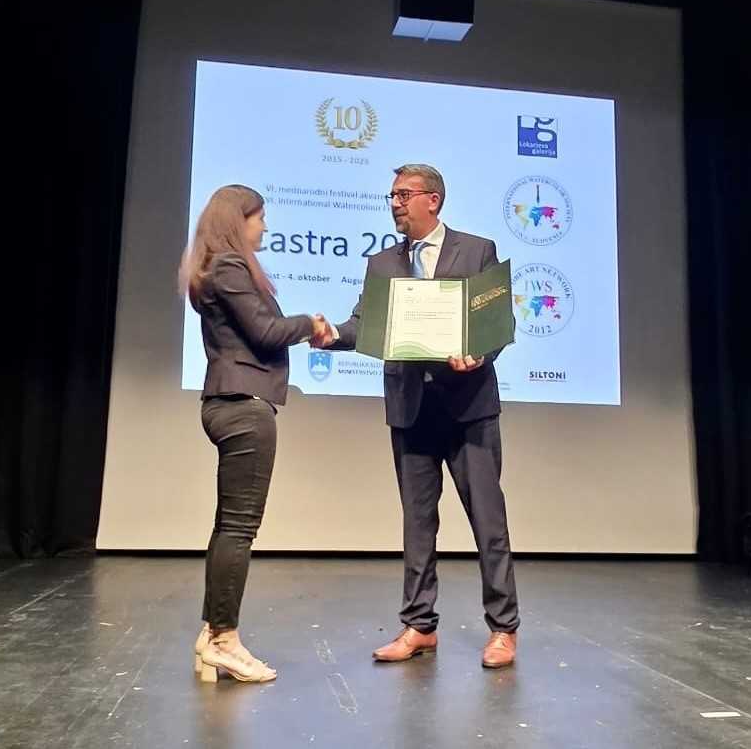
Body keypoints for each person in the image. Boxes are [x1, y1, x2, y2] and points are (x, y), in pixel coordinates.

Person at [313, 164, 520, 668]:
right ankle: (419, 626)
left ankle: (503, 628)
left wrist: (479, 353)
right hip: (411, 407)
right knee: (417, 523)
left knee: (487, 520)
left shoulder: (477, 250)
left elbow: (496, 321)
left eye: (404, 195)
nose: (395, 204)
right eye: (392, 196)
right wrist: (331, 335)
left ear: (434, 199)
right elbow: (364, 323)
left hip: (468, 408)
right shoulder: (383, 263)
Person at [180, 184, 326, 684]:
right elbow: (266, 332)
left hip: (231, 404)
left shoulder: (216, 267)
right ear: (237, 221)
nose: (264, 226)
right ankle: (225, 641)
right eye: (259, 217)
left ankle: (212, 634)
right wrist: (309, 323)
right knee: (239, 529)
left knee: (229, 526)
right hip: (242, 406)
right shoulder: (228, 266)